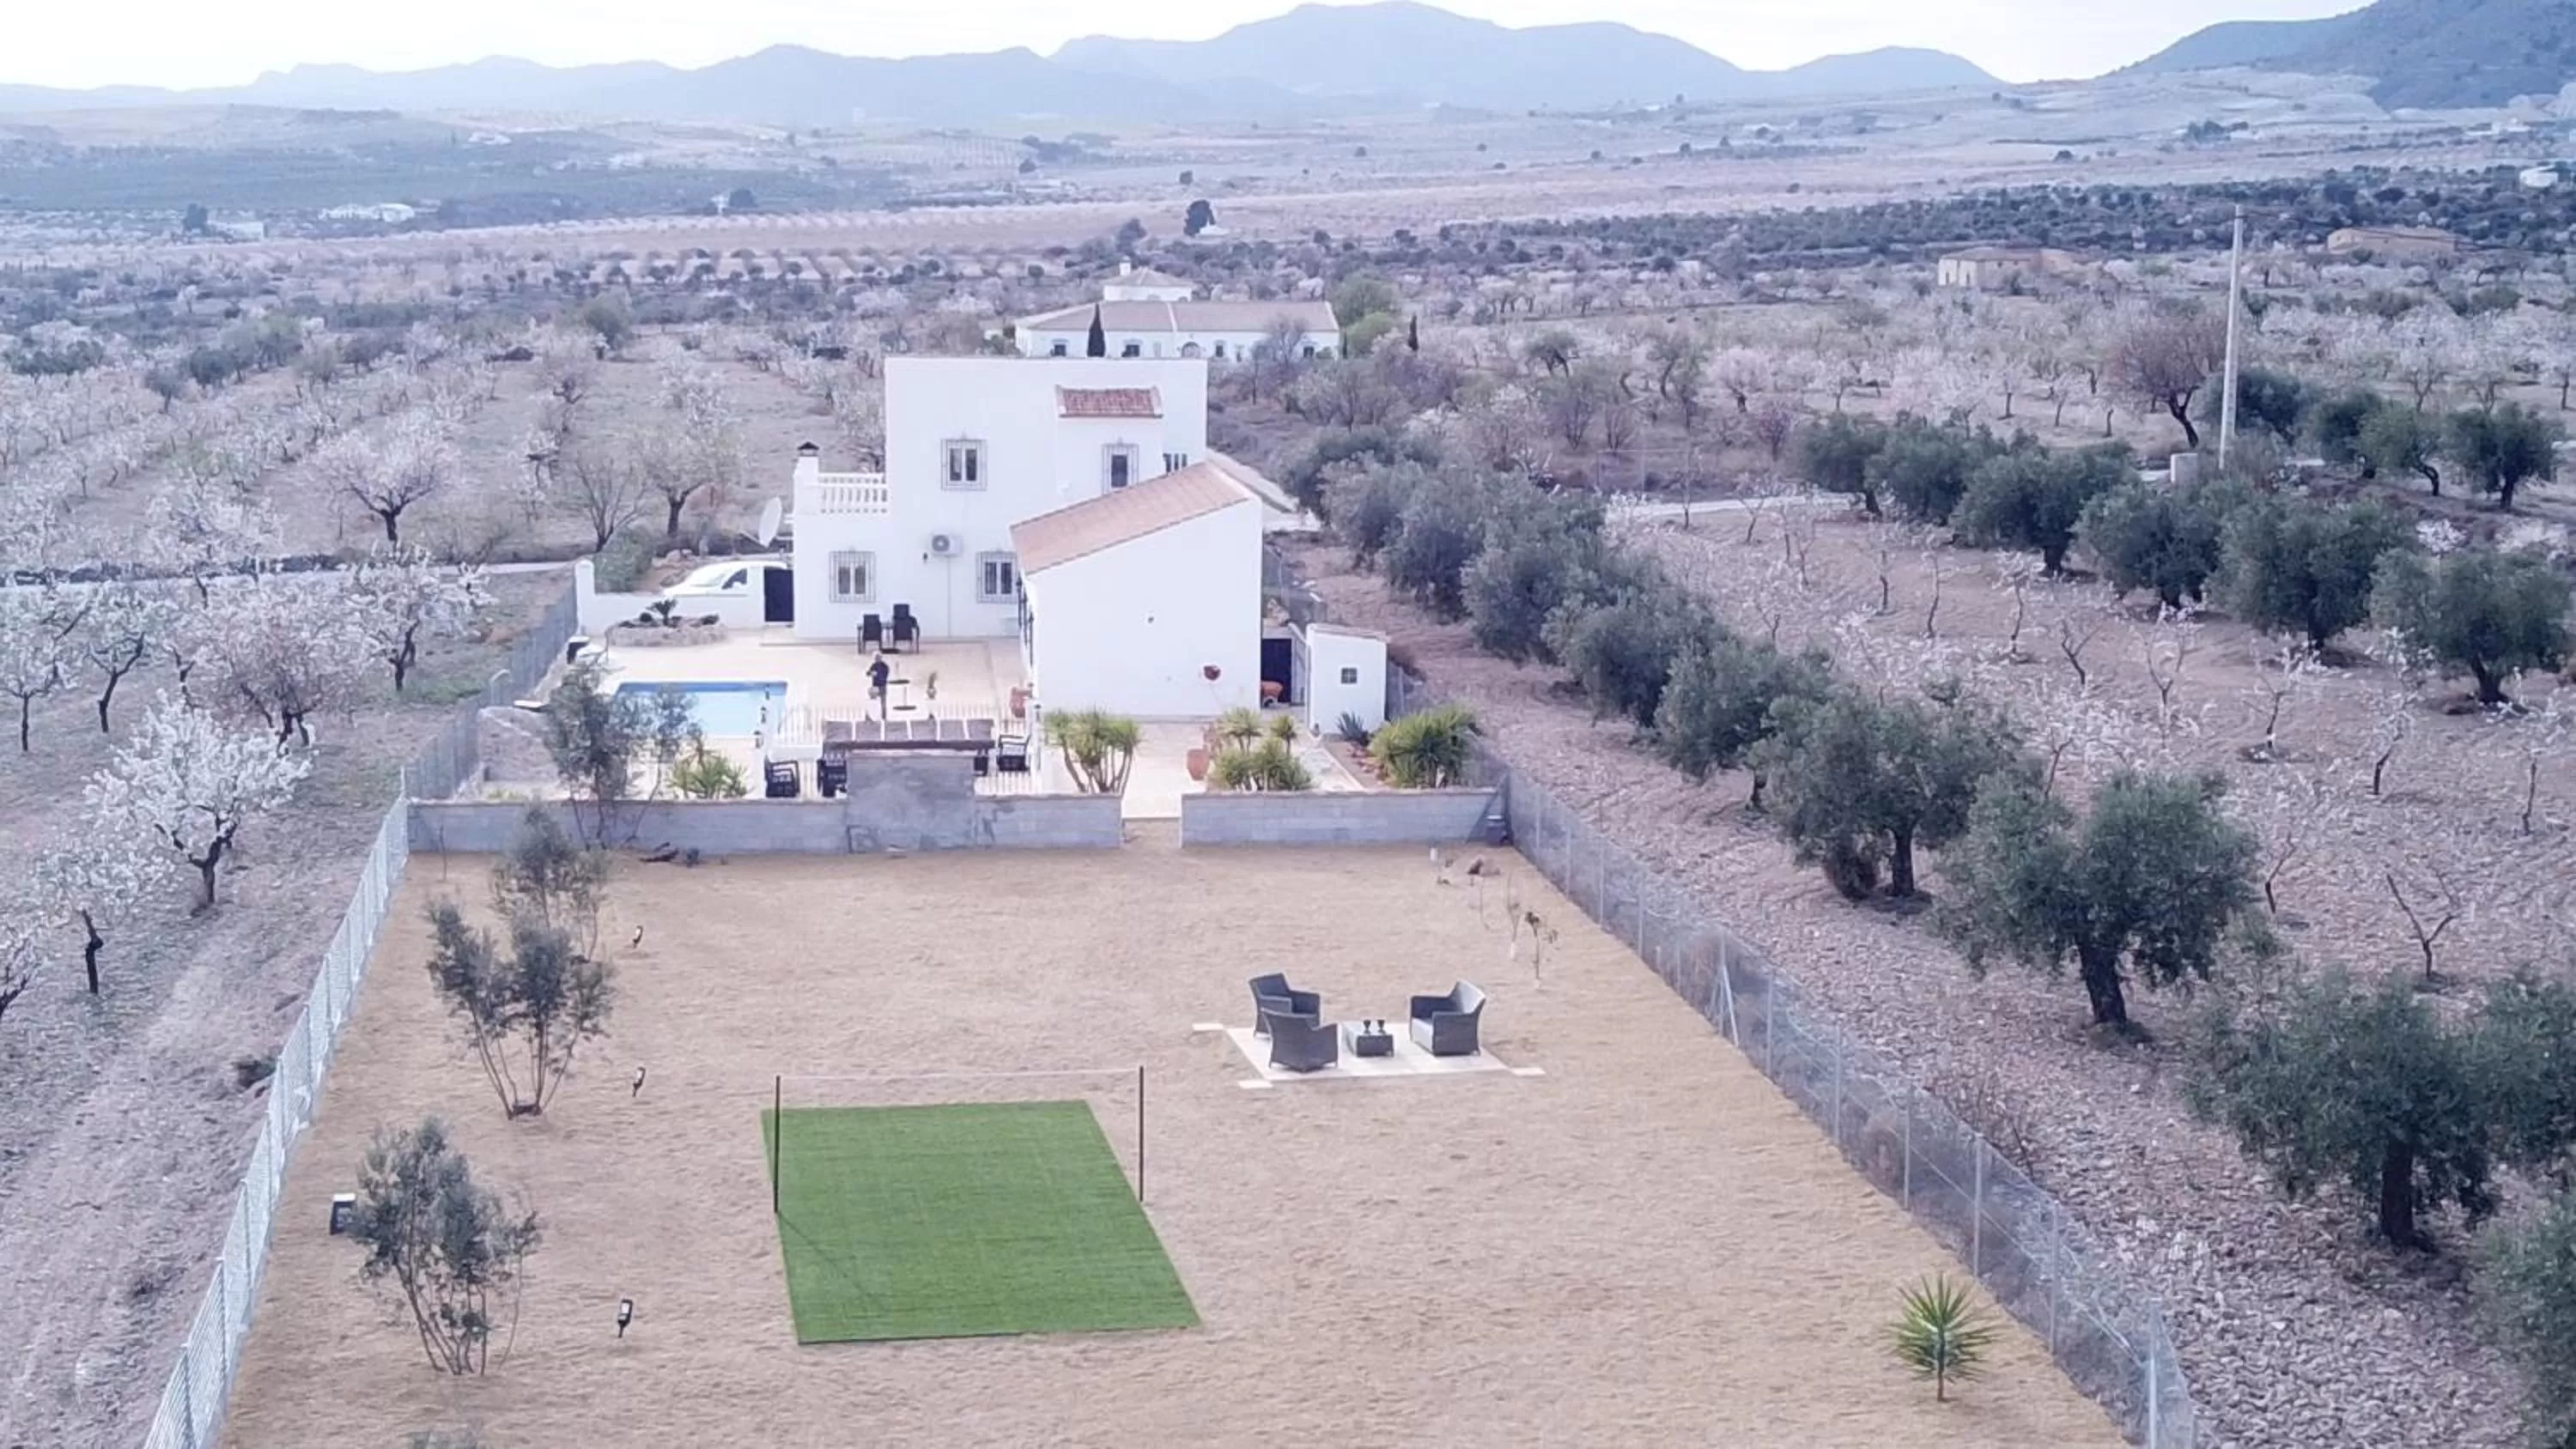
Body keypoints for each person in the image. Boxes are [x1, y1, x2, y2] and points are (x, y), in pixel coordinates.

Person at [866, 652, 890, 718]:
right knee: (873, 702)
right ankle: (872, 716)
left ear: (881, 658)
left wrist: (877, 675)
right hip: (875, 686)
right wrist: (871, 673)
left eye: (878, 658)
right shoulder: (874, 665)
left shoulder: (885, 666)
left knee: (883, 703)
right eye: (876, 658)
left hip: (882, 686)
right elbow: (868, 673)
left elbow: (885, 675)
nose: (877, 659)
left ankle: (884, 717)